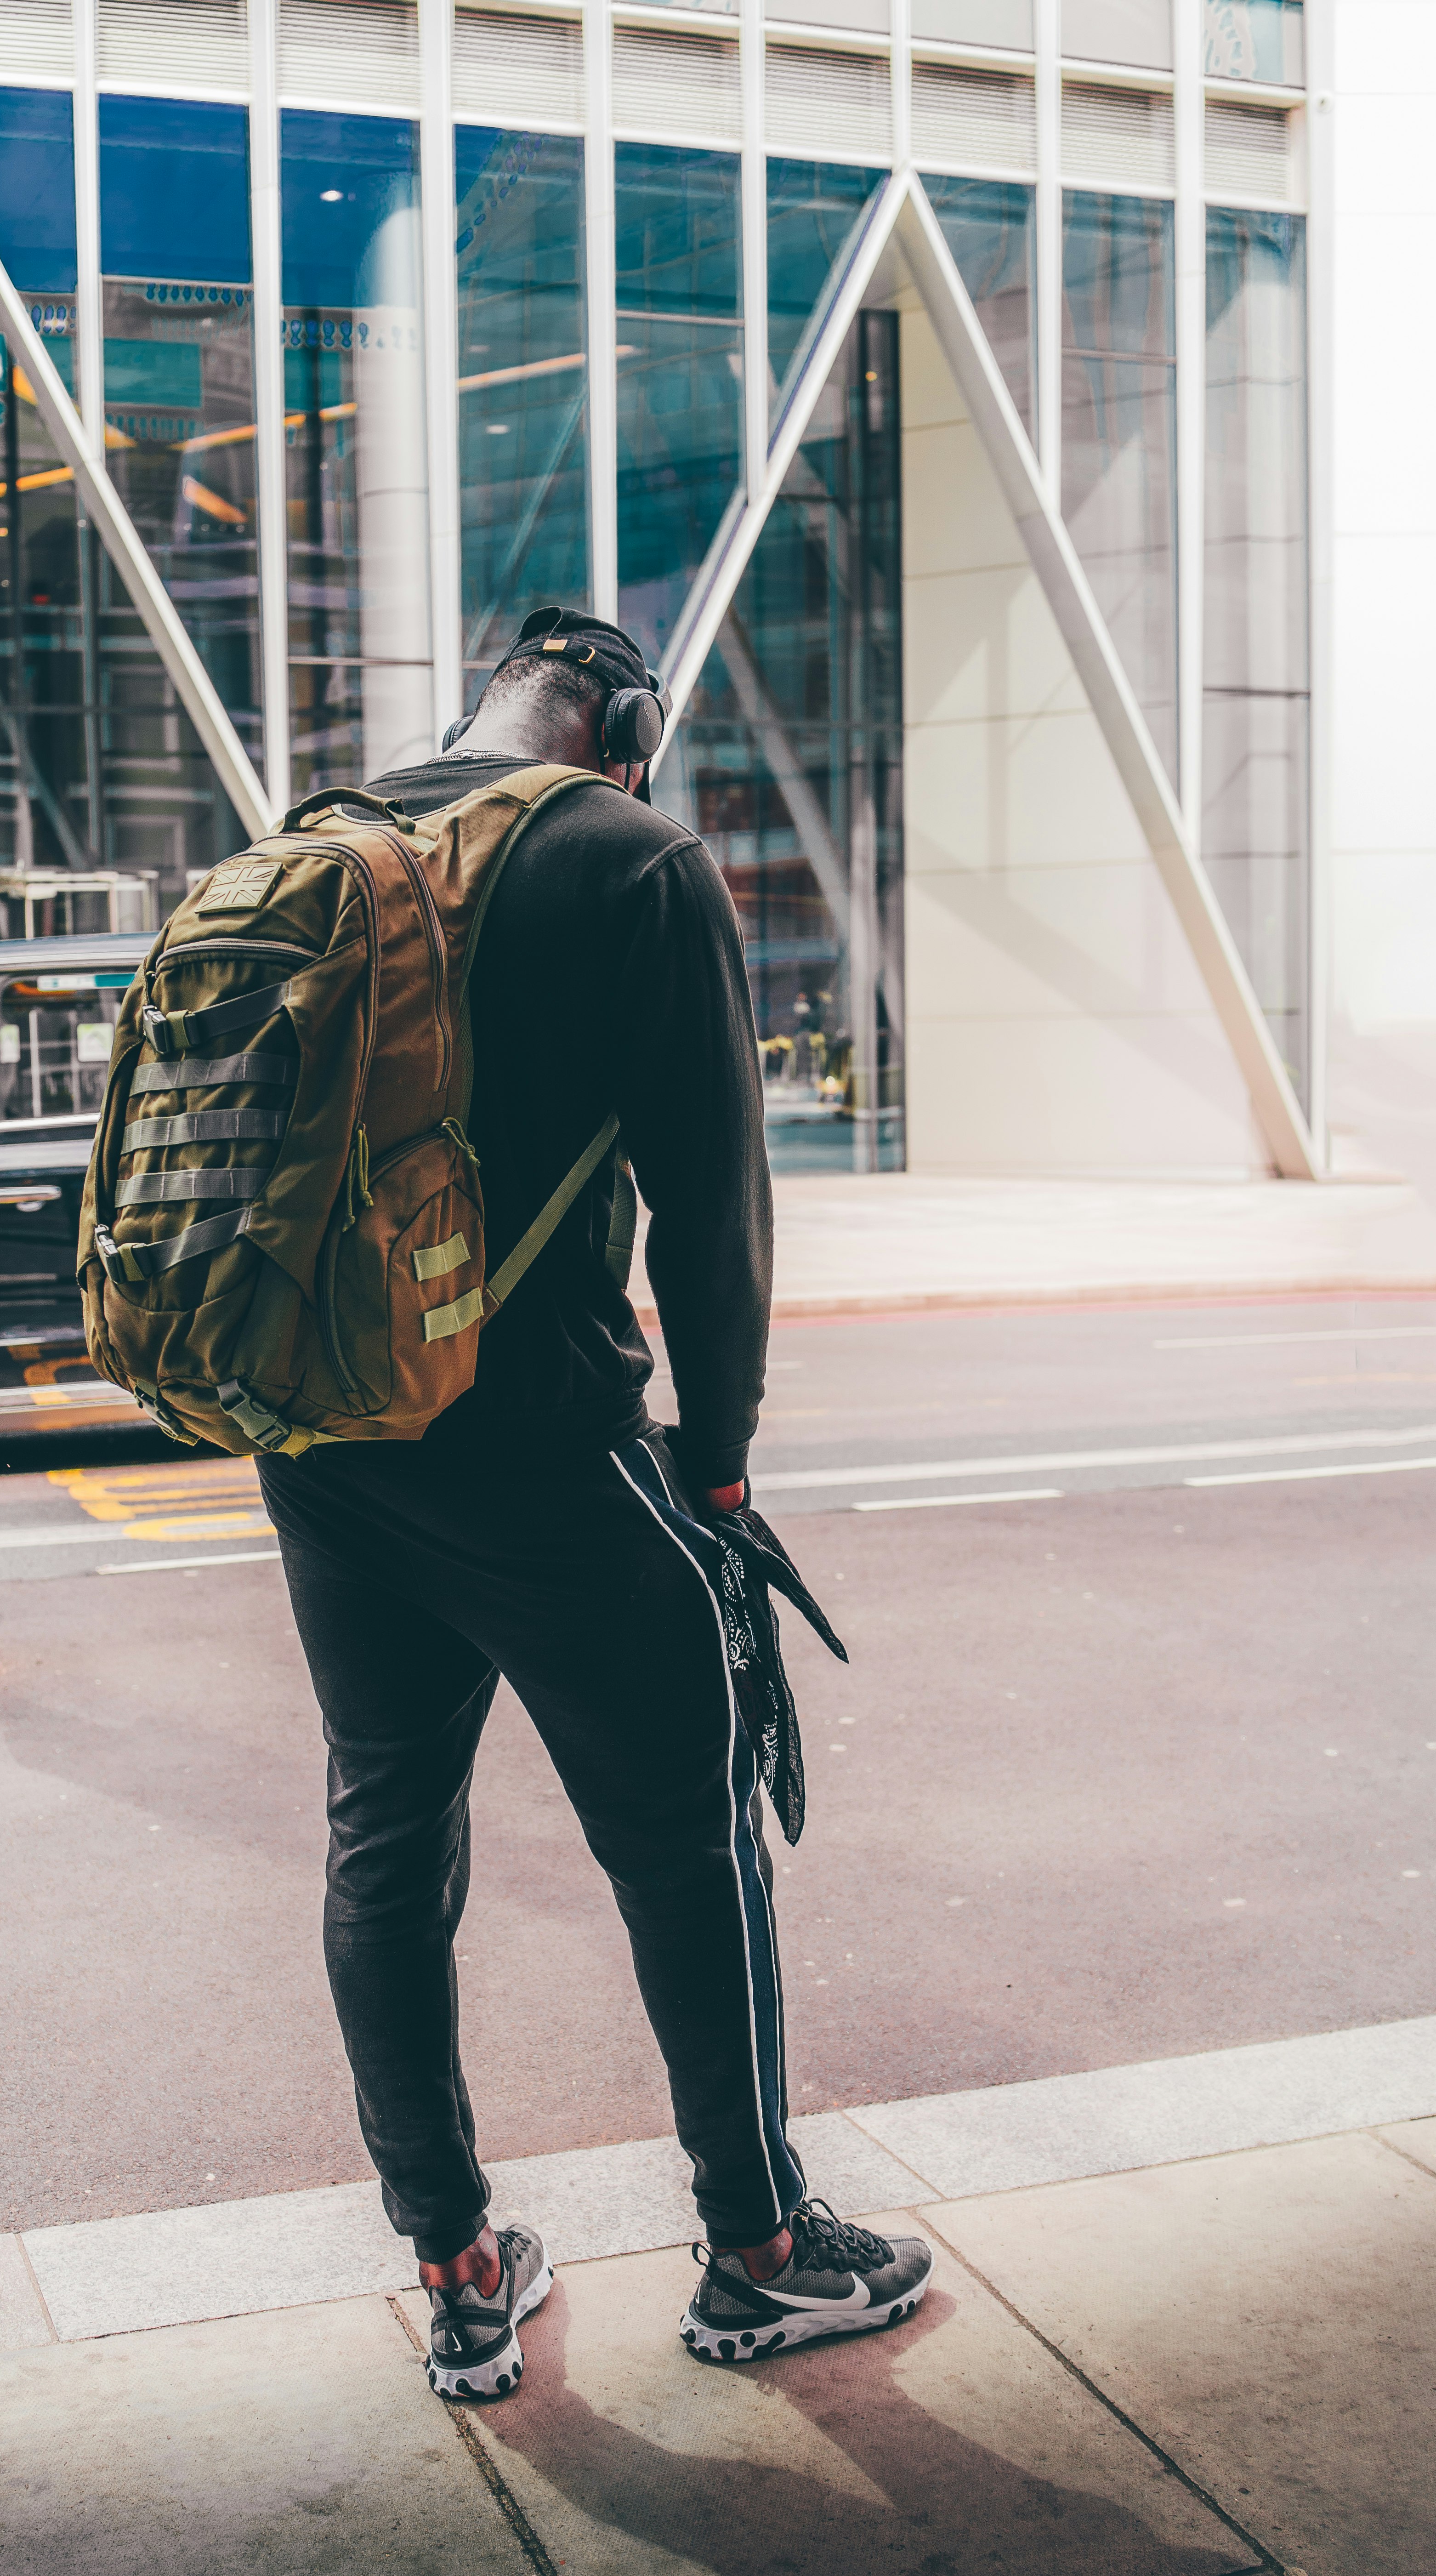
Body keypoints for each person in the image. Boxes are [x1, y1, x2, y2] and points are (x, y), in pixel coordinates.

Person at [254, 609, 932, 2398]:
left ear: (477, 704)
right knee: (687, 1832)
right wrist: (715, 1463)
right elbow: (713, 1211)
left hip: (323, 1444)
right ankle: (760, 2251)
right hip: (541, 1450)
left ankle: (463, 2269)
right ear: (626, 733)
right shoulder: (634, 863)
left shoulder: (316, 843)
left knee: (386, 1844)